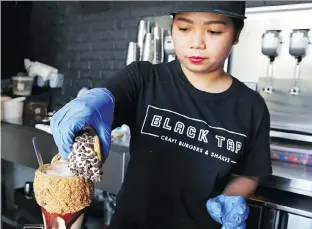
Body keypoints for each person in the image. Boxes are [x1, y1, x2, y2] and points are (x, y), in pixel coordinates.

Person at [50, 2, 272, 229]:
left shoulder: (251, 106)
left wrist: (233, 197)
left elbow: (248, 174)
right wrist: (91, 106)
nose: (196, 43)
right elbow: (104, 106)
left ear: (236, 35)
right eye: (184, 29)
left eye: (213, 31)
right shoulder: (144, 79)